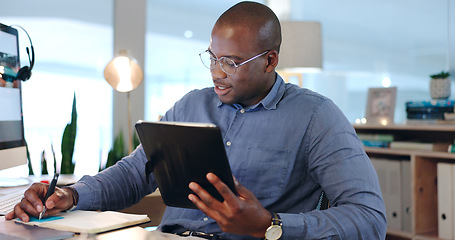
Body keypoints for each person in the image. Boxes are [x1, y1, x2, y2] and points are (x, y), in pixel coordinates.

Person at [7, 1, 387, 239]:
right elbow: (135, 173)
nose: (216, 73)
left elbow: (369, 219)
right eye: (212, 57)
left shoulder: (317, 118)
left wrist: (269, 225)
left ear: (270, 60)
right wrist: (70, 195)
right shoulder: (190, 106)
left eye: (232, 63)